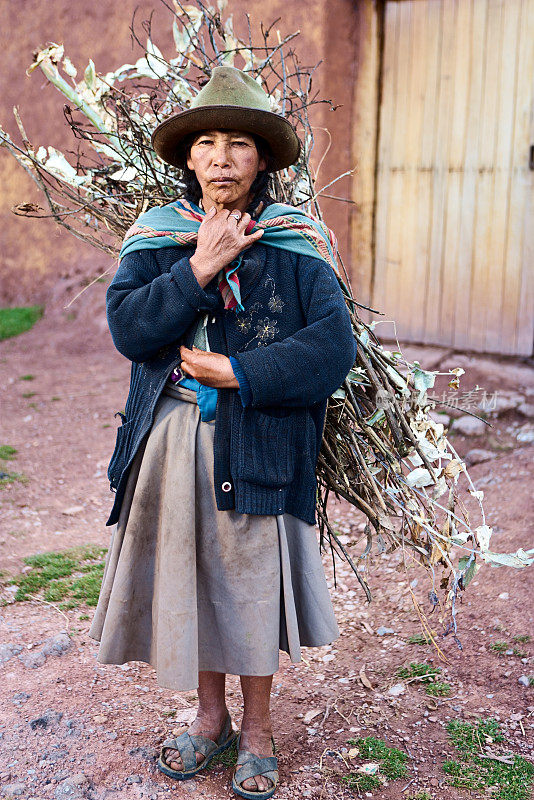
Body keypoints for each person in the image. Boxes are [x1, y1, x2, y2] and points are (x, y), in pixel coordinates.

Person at [88, 65, 356, 800]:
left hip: (262, 436)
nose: (220, 157)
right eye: (206, 142)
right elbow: (130, 329)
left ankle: (260, 730)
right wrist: (201, 265)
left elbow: (334, 346)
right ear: (188, 158)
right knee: (196, 577)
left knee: (248, 583)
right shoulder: (157, 237)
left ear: (261, 159)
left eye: (238, 143)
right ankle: (210, 721)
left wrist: (241, 373)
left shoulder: (296, 241)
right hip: (172, 441)